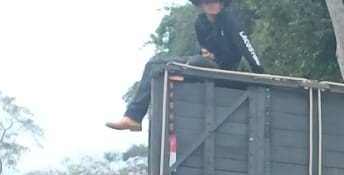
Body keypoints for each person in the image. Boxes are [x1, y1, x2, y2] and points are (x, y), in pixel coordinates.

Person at [106, 0, 265, 132]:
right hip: (206, 65)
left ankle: (180, 77)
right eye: (208, 1)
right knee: (153, 64)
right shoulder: (200, 24)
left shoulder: (229, 20)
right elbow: (205, 51)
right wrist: (209, 54)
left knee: (195, 62)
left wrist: (259, 72)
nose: (213, 4)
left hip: (224, 72)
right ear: (201, 5)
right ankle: (133, 117)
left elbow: (244, 46)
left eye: (216, 1)